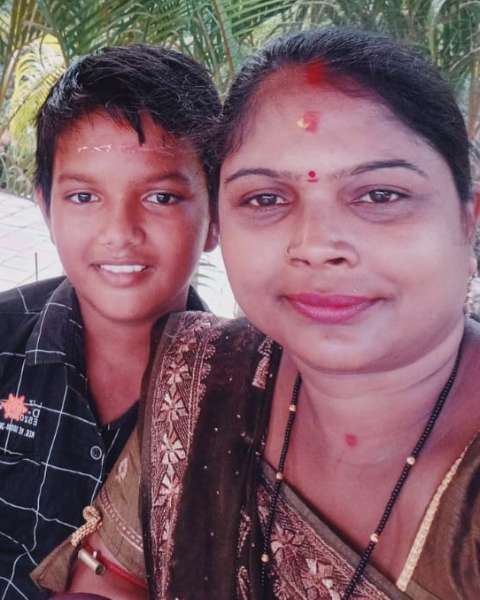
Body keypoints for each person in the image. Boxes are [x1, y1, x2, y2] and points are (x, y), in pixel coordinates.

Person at [37, 27, 480, 599]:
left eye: (380, 195)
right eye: (266, 198)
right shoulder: (199, 375)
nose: (316, 245)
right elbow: (113, 579)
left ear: (468, 220)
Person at [0, 44, 220, 599]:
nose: (119, 231)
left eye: (161, 196)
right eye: (83, 196)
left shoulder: (238, 398)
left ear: (216, 216)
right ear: (45, 206)